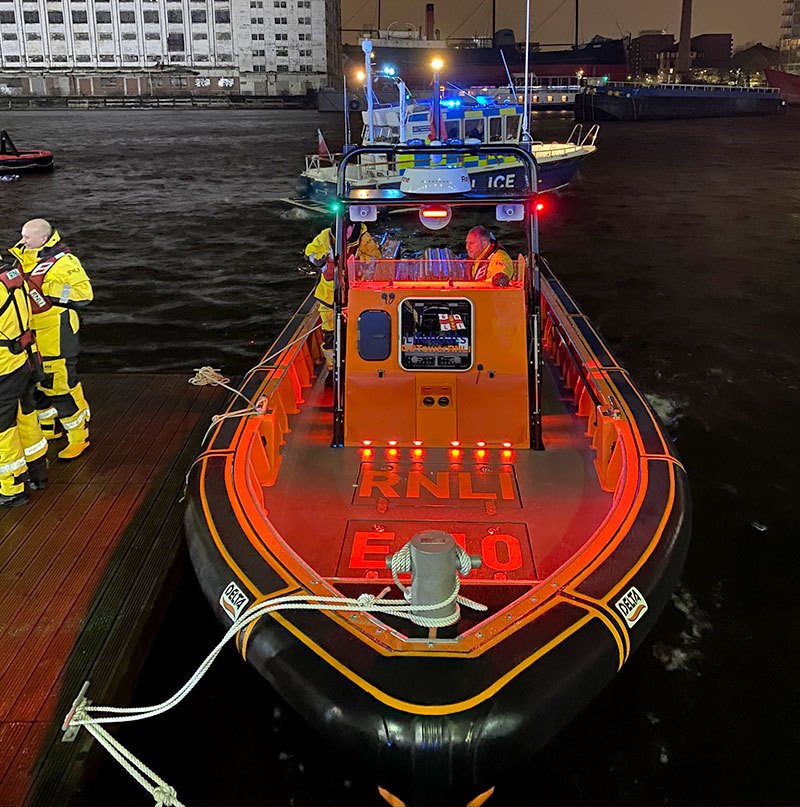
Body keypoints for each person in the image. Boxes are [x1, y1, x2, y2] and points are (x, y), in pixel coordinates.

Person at [9, 219, 93, 459]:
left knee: (59, 384)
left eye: (27, 237)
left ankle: (79, 436)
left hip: (57, 331)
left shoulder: (65, 263)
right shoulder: (22, 259)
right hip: (30, 333)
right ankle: (48, 428)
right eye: (22, 236)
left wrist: (50, 290)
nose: (22, 241)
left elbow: (84, 294)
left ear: (44, 239)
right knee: (35, 382)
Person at [0, 262, 47, 506]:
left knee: (3, 428)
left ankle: (11, 488)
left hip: (2, 368)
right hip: (21, 360)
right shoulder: (10, 273)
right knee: (27, 415)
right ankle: (37, 473)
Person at [304, 222, 381, 371]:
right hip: (328, 296)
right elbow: (310, 251)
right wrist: (320, 260)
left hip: (355, 295)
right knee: (329, 337)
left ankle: (356, 366)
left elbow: (375, 258)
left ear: (353, 227)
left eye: (347, 229)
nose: (343, 232)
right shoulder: (326, 235)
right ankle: (332, 370)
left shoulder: (363, 238)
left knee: (356, 333)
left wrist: (357, 265)